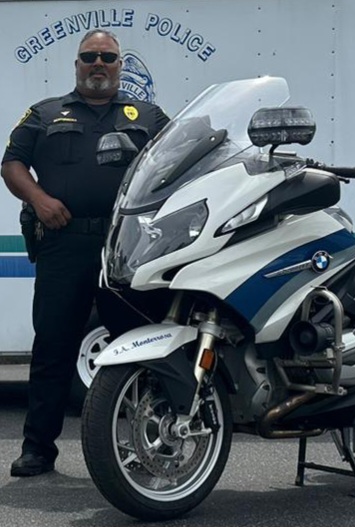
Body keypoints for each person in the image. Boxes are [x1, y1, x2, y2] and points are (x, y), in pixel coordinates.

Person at [1, 29, 170, 477]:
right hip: (64, 245)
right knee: (53, 347)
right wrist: (38, 199)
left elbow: (181, 161)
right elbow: (12, 164)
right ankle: (38, 450)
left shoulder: (148, 115)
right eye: (90, 56)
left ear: (119, 65)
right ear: (76, 64)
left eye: (108, 57)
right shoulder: (45, 113)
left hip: (128, 248)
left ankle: (152, 446)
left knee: (144, 348)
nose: (99, 63)